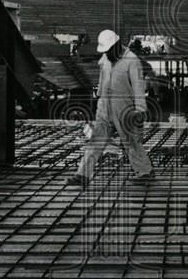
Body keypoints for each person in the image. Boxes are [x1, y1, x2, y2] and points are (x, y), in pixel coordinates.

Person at [66, 29, 155, 187]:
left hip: (124, 108)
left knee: (130, 141)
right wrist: (99, 99)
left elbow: (138, 87)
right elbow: (102, 78)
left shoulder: (132, 61)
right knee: (96, 141)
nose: (106, 53)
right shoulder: (106, 58)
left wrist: (140, 110)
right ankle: (82, 175)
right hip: (105, 106)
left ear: (116, 45)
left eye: (108, 50)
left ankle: (145, 172)